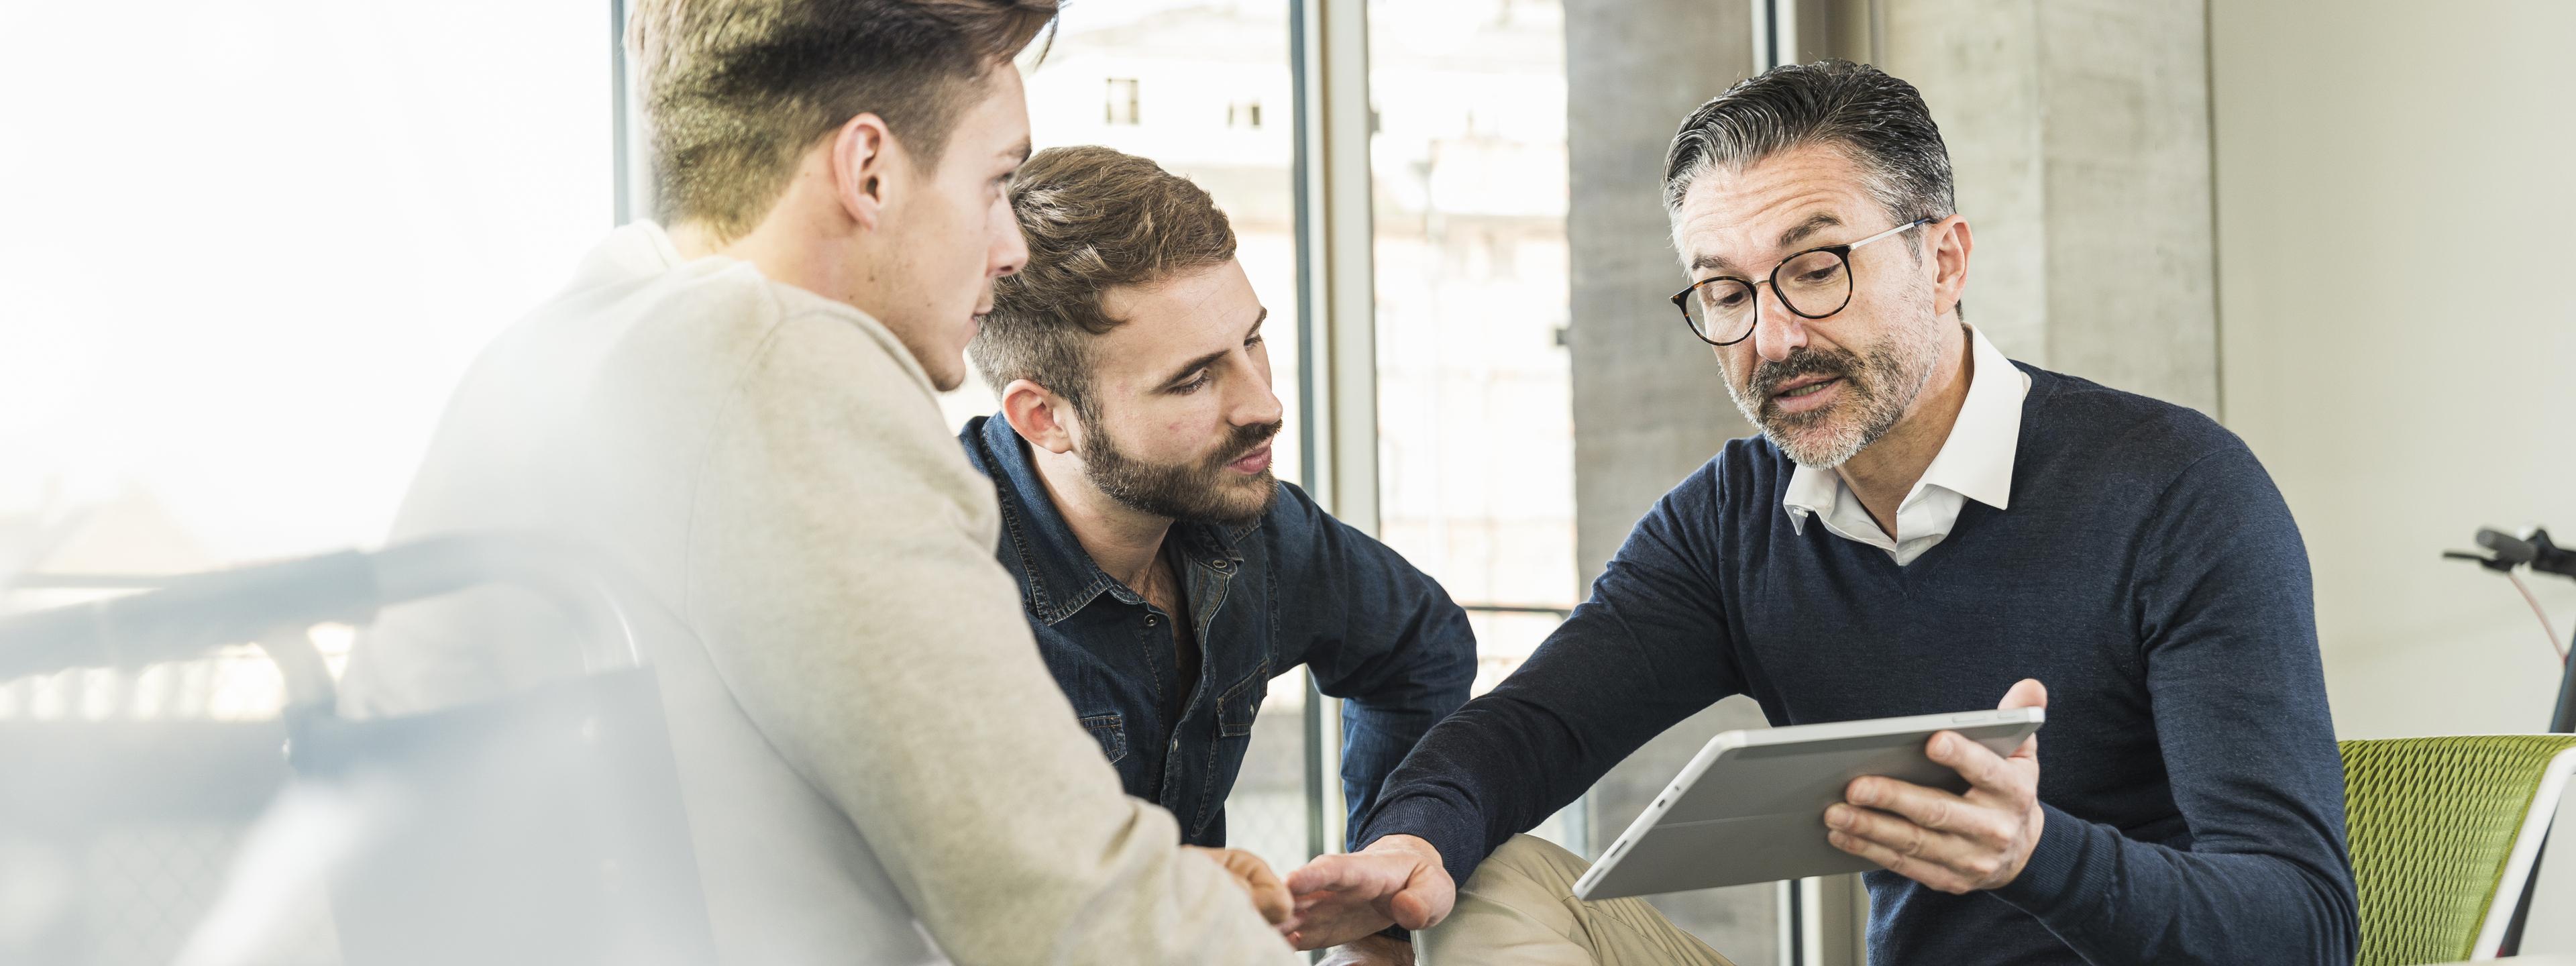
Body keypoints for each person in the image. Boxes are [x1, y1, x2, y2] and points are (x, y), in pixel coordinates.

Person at [1282, 59, 2357, 965]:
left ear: (1944, 259)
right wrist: (1411, 847)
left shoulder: (2176, 491)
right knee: (1489, 867)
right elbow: (1527, 733)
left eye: (1815, 269)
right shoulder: (1729, 523)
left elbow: (2302, 926)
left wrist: (2038, 855)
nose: (1775, 338)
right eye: (1729, 292)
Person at [338, 2, 1301, 962]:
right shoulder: (778, 364)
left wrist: (1173, 889)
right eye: (996, 183)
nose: (1009, 248)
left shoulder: (556, 351)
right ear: (869, 171)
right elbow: (1066, 908)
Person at [960, 145, 1479, 965]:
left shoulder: (1246, 526)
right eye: (1194, 379)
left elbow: (1422, 646)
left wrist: (1378, 912)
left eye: (1253, 342)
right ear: (1044, 417)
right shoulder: (936, 577)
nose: (1264, 405)